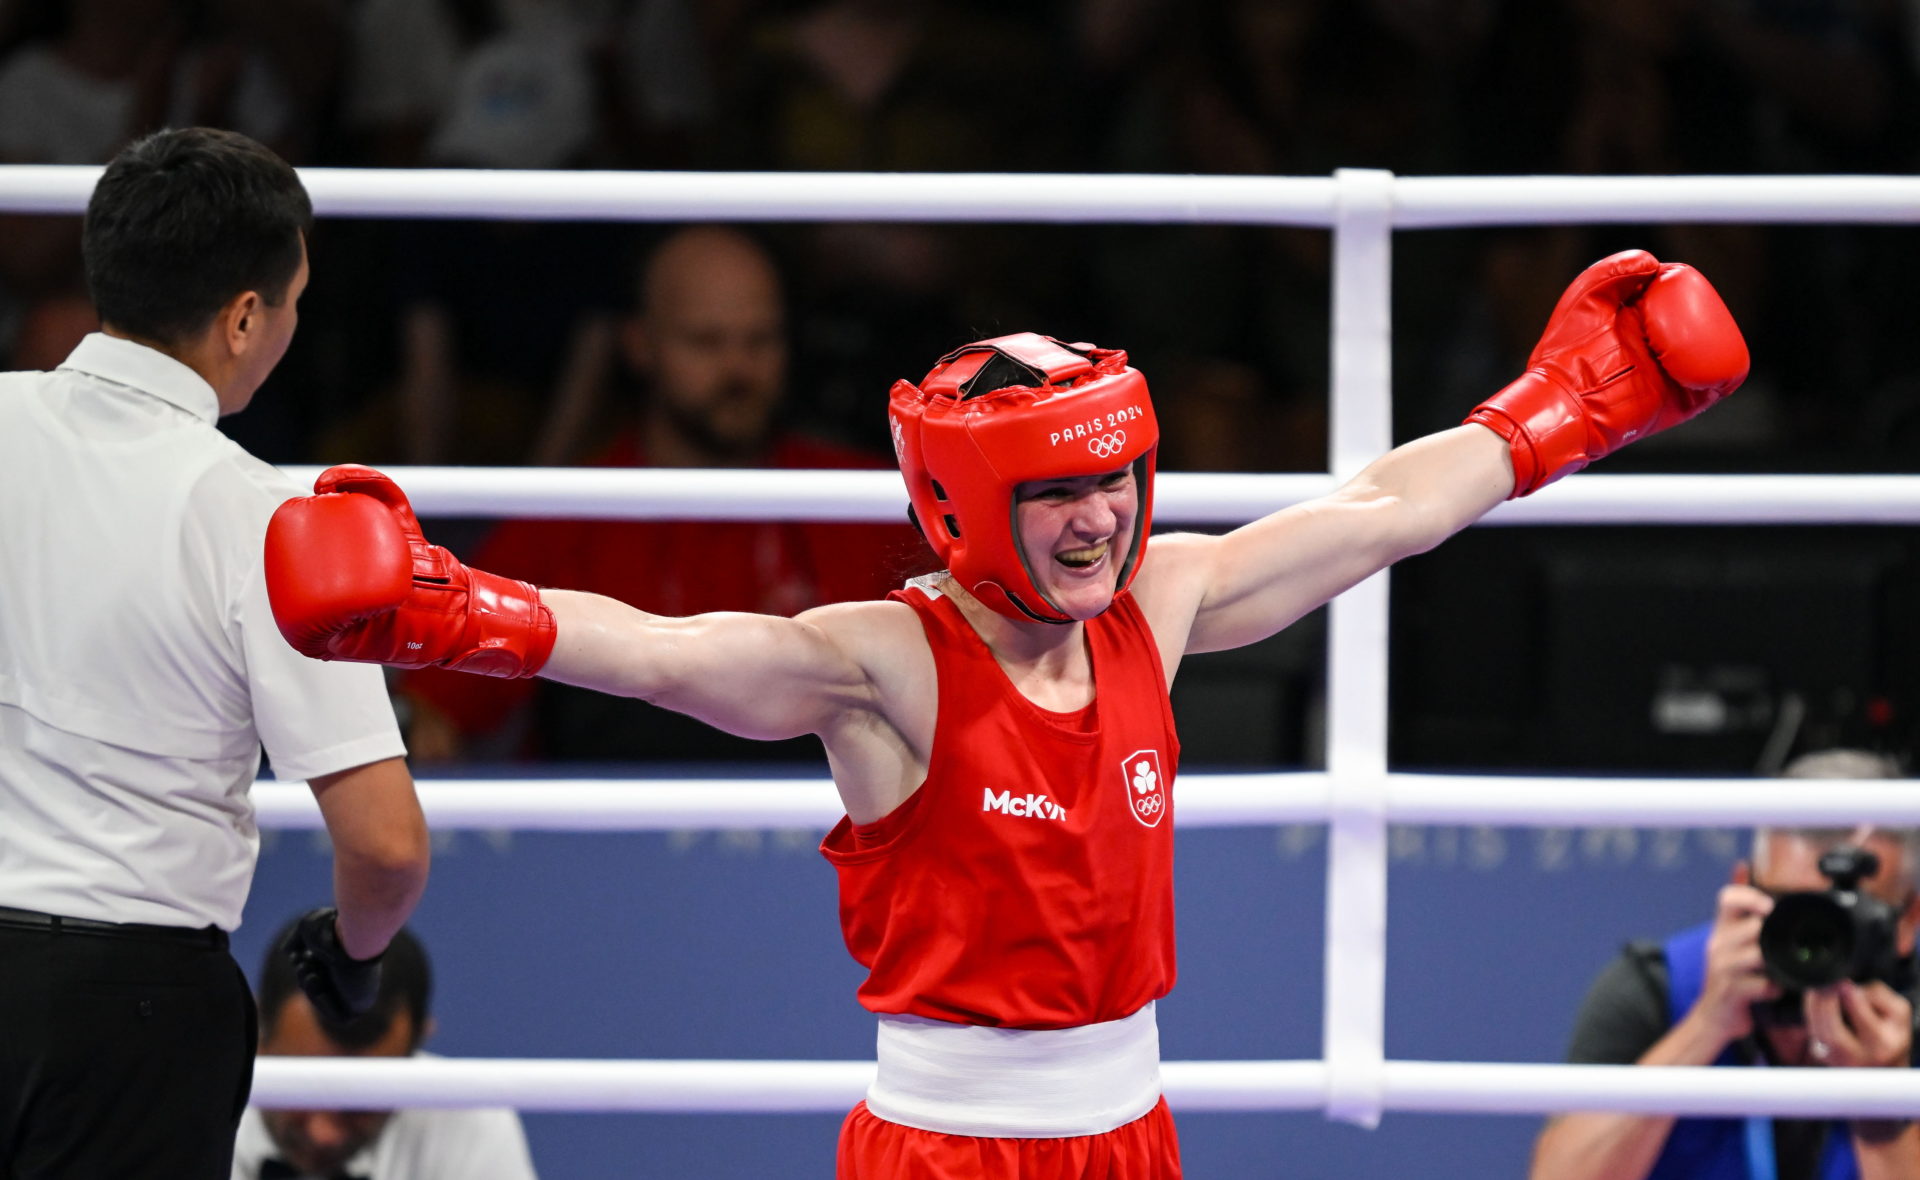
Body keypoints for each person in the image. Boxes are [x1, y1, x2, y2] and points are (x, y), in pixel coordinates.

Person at [263, 248, 1748, 1177]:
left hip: (1130, 1132)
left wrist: (1570, 408)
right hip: (947, 1147)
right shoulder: (887, 666)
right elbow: (661, 652)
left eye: (1117, 480)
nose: (1103, 522)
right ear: (971, 508)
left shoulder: (1159, 610)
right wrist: (448, 606)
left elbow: (1377, 516)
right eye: (1061, 494)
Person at [0, 127, 429, 1179]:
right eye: (291, 301)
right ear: (245, 316)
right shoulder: (265, 519)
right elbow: (384, 845)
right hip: (127, 1007)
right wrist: (354, 957)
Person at [400, 224, 919, 763]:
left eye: (760, 340)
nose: (738, 369)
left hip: (830, 833)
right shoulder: (565, 516)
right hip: (607, 834)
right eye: (707, 342)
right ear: (640, 345)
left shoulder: (864, 499)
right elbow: (437, 710)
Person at [1530, 749, 1920, 1180]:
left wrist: (1882, 1106)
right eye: (1789, 908)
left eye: (1847, 913)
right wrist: (1704, 1028)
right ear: (1742, 888)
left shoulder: (1907, 1022)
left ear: (1909, 919)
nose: (1815, 939)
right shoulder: (1661, 990)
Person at [233, 918, 538, 1180]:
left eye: (361, 1101)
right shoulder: (192, 1101)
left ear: (414, 1049)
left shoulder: (469, 1114)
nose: (323, 1133)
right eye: (301, 1090)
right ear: (257, 1029)